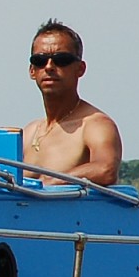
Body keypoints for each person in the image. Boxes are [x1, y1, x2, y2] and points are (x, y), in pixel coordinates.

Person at [21, 19, 122, 186]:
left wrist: (51, 181)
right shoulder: (29, 133)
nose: (49, 67)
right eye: (40, 60)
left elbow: (106, 170)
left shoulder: (95, 125)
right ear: (32, 71)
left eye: (61, 59)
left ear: (80, 69)